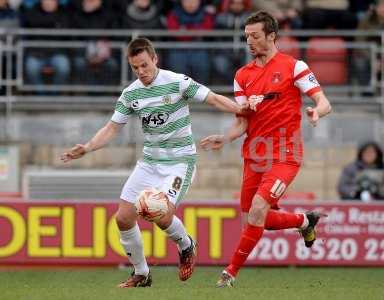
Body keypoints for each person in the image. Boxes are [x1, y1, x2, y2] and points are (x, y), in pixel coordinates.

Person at [61, 38, 247, 288]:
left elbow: (212, 98)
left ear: (155, 59)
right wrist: (88, 147)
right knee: (123, 218)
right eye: (135, 67)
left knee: (160, 212)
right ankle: (141, 273)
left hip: (180, 161)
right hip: (150, 162)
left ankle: (186, 244)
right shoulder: (131, 93)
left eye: (145, 65)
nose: (141, 72)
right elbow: (112, 128)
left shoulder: (177, 82)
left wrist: (242, 110)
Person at [200, 11, 332, 287]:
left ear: (272, 36)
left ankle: (230, 273)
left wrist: (317, 112)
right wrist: (225, 138)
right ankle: (304, 221)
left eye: (255, 36)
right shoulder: (242, 75)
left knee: (259, 209)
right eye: (247, 36)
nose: (249, 41)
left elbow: (323, 101)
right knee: (254, 218)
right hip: (255, 155)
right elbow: (242, 122)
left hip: (286, 153)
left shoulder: (294, 67)